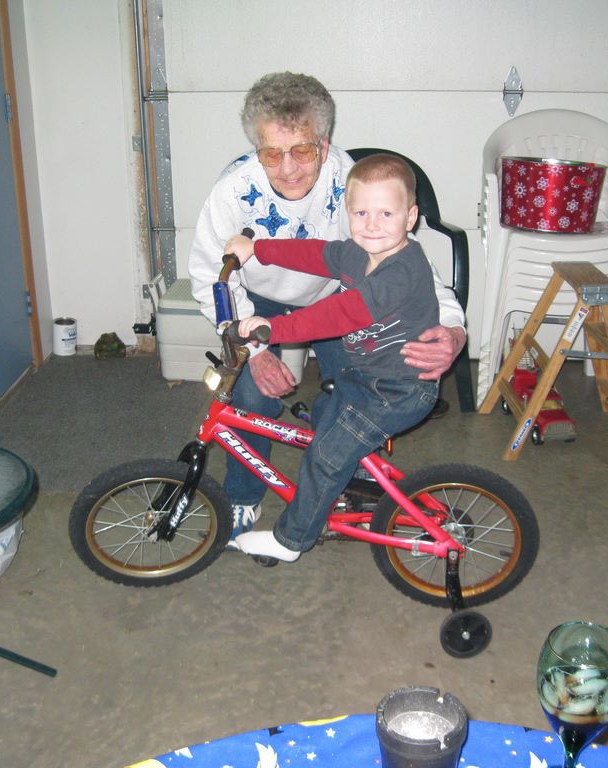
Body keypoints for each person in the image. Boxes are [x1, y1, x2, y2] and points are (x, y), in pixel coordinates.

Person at [188, 71, 466, 539]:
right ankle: (243, 497)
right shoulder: (231, 191)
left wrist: (454, 329)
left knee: (359, 395)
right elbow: (206, 276)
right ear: (256, 148)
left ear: (324, 143)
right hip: (256, 299)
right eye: (272, 153)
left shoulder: (347, 180)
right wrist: (256, 351)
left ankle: (351, 487)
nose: (288, 169)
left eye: (302, 150)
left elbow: (409, 268)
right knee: (249, 399)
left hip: (340, 298)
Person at [226, 153, 439, 561]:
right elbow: (316, 254)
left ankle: (291, 540)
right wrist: (257, 249)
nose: (372, 224)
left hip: (398, 391)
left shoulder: (402, 271)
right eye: (361, 213)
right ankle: (358, 488)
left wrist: (274, 329)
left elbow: (340, 314)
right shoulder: (360, 253)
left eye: (386, 213)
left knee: (324, 457)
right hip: (366, 376)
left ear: (410, 217)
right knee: (326, 412)